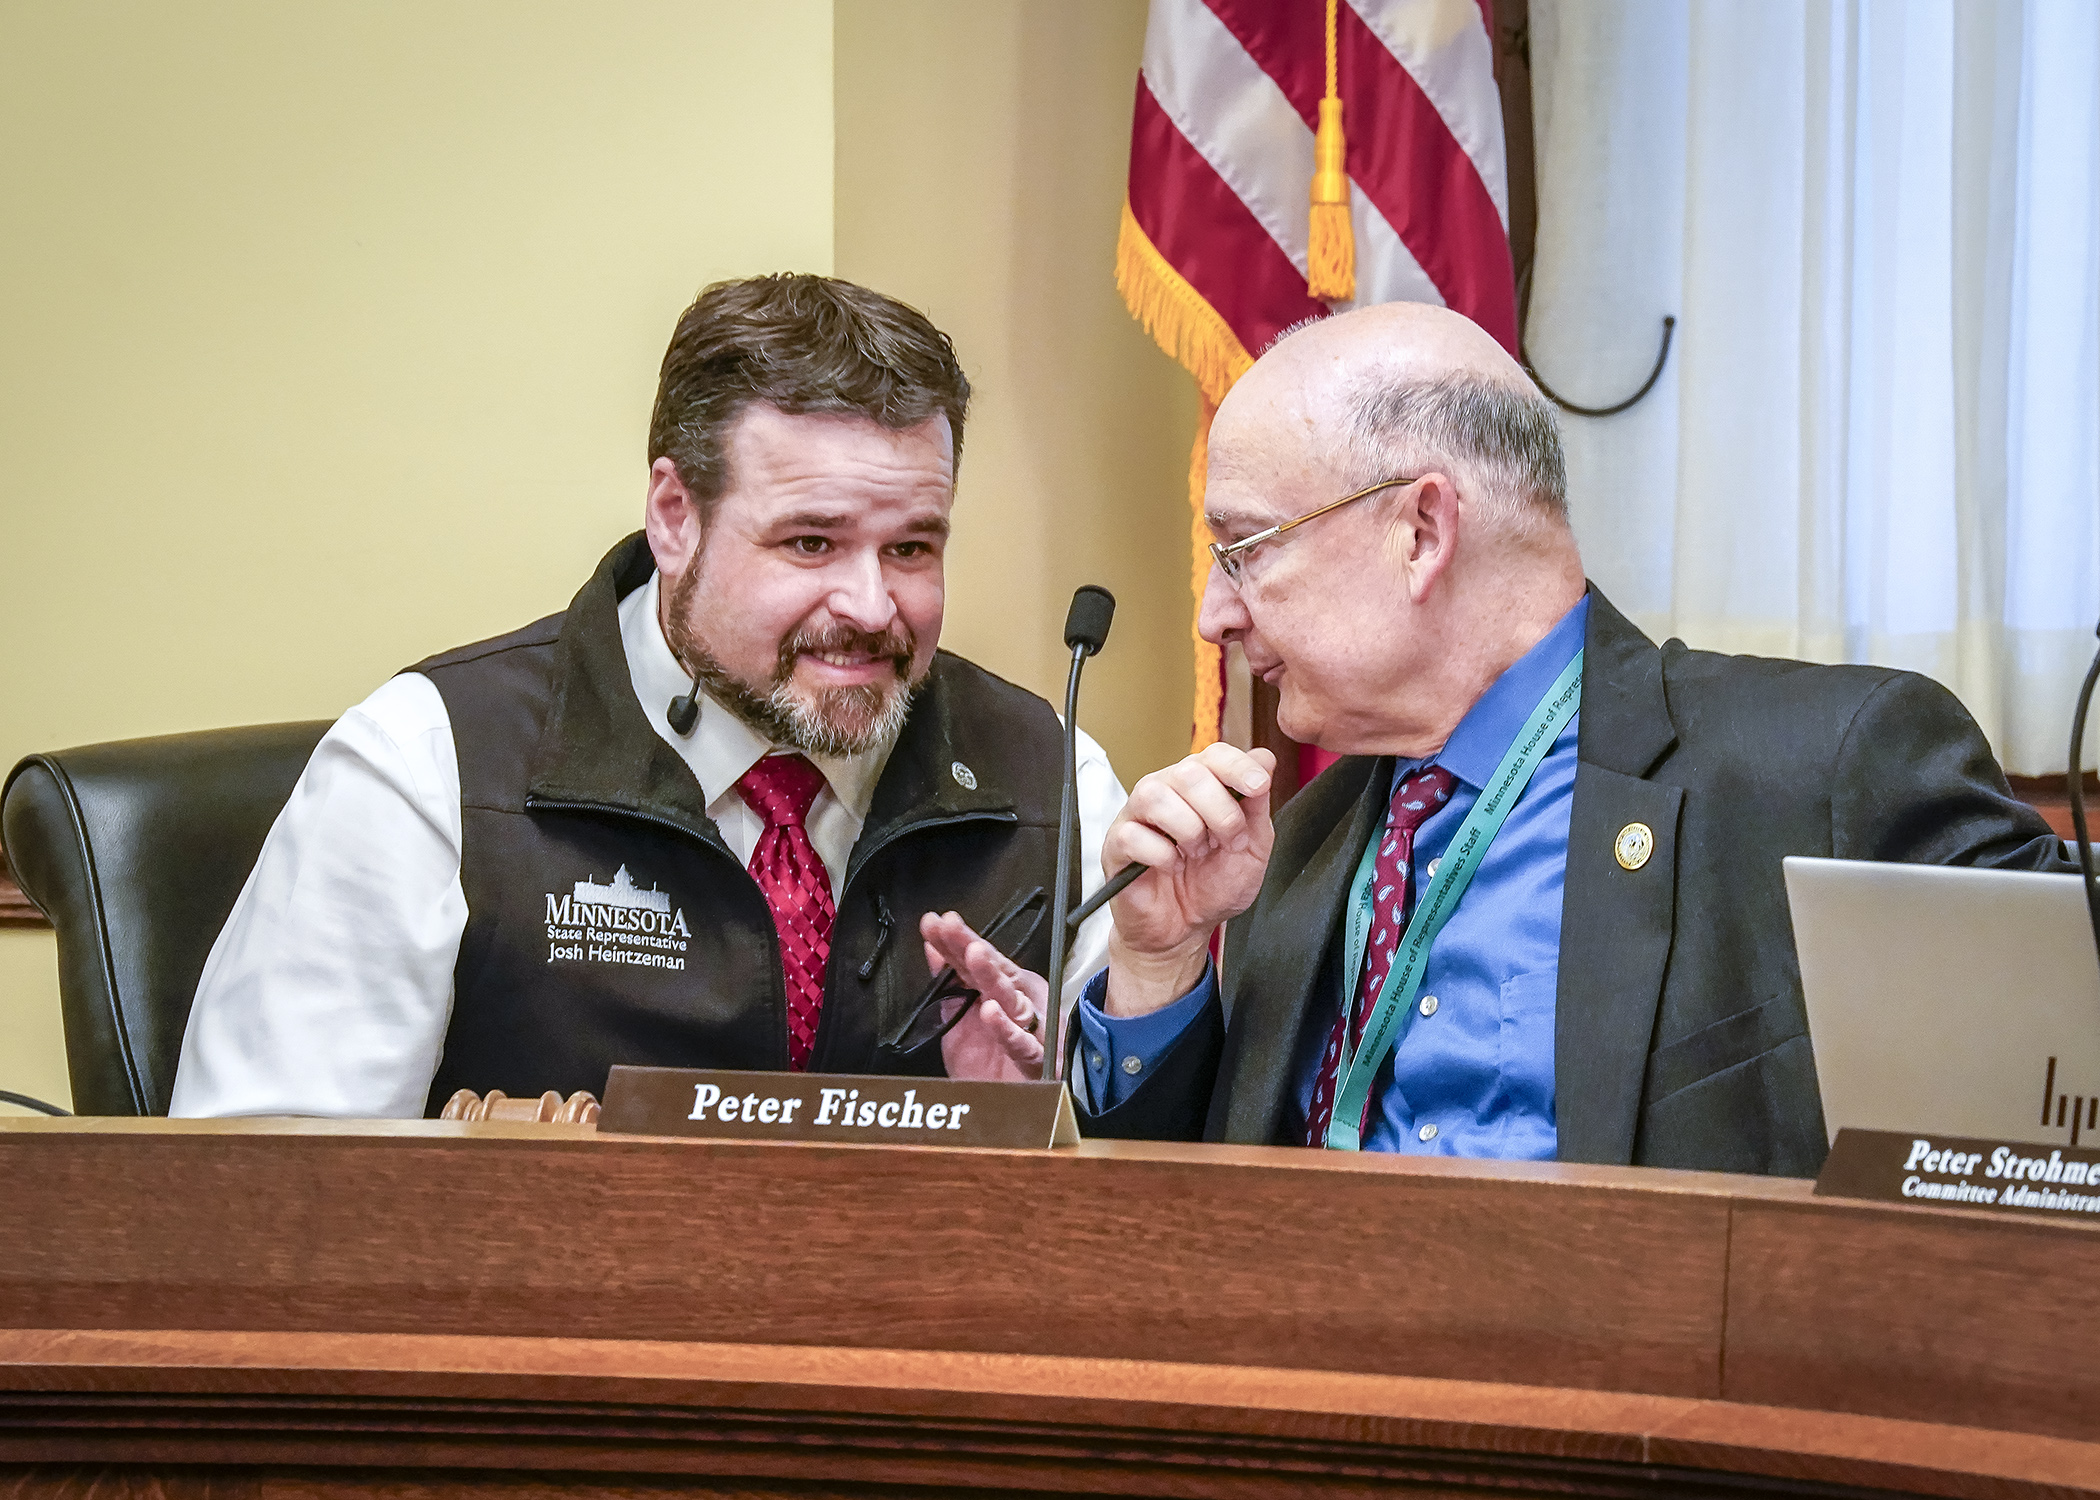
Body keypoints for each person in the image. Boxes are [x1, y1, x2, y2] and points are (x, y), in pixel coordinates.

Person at [932, 301, 2067, 1177]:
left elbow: (2055, 1118)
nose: (1213, 616)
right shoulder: (1302, 844)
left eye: (1246, 550)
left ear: (1421, 529)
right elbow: (1187, 1231)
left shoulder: (1819, 764)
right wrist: (1159, 965)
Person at [171, 274, 1120, 1118]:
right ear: (675, 518)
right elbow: (256, 1203)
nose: (872, 607)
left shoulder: (1049, 777)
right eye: (810, 544)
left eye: (911, 548)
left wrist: (1051, 1125)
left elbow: (1149, 1211)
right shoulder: (429, 765)